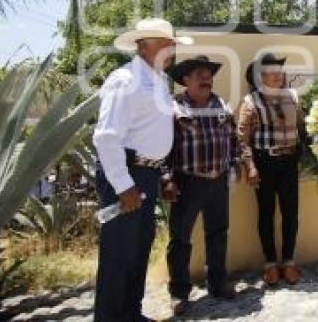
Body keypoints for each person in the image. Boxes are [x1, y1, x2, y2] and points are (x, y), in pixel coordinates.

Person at [92, 18, 192, 321]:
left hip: (145, 175)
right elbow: (107, 137)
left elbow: (150, 136)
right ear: (144, 45)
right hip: (126, 174)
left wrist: (160, 175)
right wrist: (123, 185)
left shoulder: (156, 81)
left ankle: (129, 314)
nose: (172, 49)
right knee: (118, 255)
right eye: (167, 44)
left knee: (137, 251)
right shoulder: (125, 80)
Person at [163, 56, 240, 315]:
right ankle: (179, 293)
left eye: (208, 74)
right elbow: (162, 148)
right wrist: (167, 179)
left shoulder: (221, 105)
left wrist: (234, 167)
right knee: (180, 239)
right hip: (186, 182)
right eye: (199, 74)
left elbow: (232, 140)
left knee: (218, 234)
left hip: (218, 181)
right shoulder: (173, 108)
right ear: (185, 80)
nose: (206, 78)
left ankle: (217, 284)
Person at [237, 53, 304, 284]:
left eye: (280, 72)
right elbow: (242, 139)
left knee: (291, 213)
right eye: (273, 73)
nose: (278, 76)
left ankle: (288, 261)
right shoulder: (250, 102)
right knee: (266, 214)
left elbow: (302, 128)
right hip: (264, 163)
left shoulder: (293, 97)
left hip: (289, 162)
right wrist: (250, 166)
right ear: (261, 77)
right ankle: (270, 263)